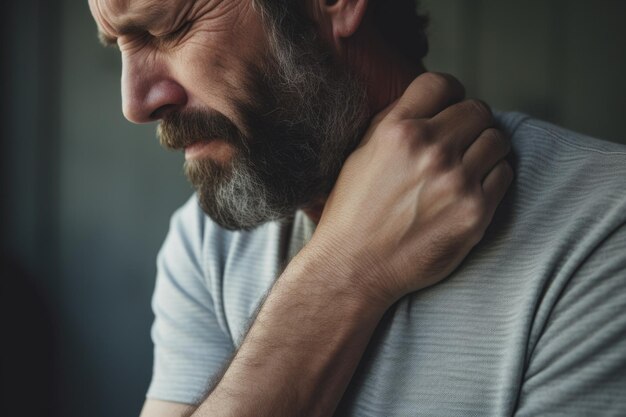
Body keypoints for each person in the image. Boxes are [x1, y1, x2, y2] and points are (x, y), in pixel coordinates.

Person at [88, 1, 626, 416]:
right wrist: (346, 270)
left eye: (167, 29)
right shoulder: (207, 245)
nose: (134, 103)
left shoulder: (603, 230)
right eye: (119, 46)